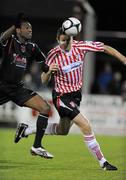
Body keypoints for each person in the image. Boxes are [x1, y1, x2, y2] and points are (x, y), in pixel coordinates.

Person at [16, 27, 126, 170]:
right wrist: (49, 72)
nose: (64, 44)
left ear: (71, 38)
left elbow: (104, 48)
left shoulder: (80, 47)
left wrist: (123, 59)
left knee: (63, 130)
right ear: (57, 40)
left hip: (75, 96)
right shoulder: (53, 54)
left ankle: (26, 130)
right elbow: (44, 80)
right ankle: (103, 162)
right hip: (61, 96)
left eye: (66, 40)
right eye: (61, 40)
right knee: (85, 125)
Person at [0, 13, 53, 159]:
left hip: (17, 89)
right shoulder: (10, 41)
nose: (30, 30)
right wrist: (14, 25)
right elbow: (1, 38)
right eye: (26, 27)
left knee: (45, 108)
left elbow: (44, 64)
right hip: (1, 86)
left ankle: (36, 146)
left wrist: (51, 69)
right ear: (18, 30)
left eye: (31, 28)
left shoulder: (32, 47)